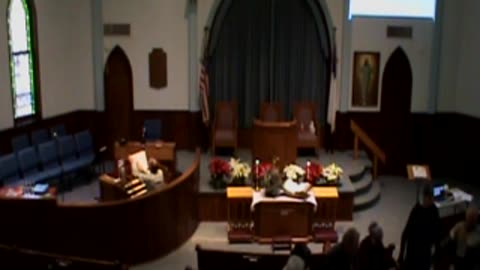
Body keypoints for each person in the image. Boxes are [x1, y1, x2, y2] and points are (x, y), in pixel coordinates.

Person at [398, 184, 440, 270]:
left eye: (432, 198)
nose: (432, 201)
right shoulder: (416, 210)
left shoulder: (434, 210)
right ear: (424, 197)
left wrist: (436, 253)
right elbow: (405, 233)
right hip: (413, 250)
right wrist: (401, 254)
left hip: (425, 252)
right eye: (430, 198)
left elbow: (437, 233)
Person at [449, 205, 480, 270]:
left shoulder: (477, 232)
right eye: (469, 217)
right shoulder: (459, 226)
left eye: (472, 218)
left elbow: (471, 243)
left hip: (469, 260)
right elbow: (451, 234)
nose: (470, 219)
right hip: (460, 258)